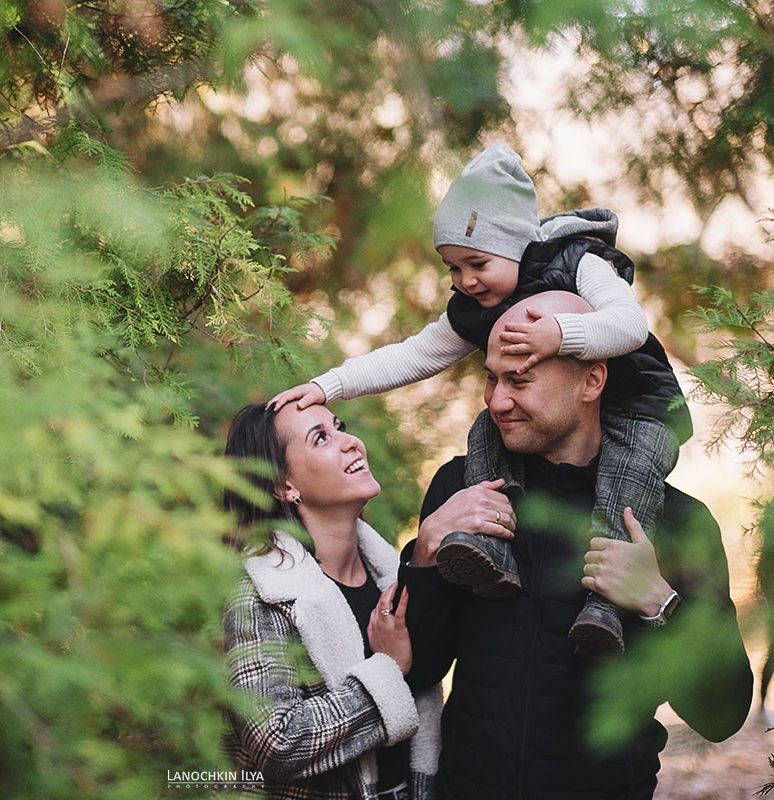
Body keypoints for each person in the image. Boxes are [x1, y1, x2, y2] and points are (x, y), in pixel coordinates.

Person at [268, 142, 691, 658]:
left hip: (644, 411)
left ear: (515, 245)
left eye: (477, 263)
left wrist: (559, 335)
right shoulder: (475, 306)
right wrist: (329, 386)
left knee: (626, 488)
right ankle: (488, 546)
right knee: (484, 432)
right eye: (452, 268)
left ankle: (606, 607)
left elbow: (629, 325)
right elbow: (413, 354)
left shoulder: (578, 262)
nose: (465, 281)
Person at [400, 291, 753, 799]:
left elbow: (722, 715)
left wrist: (658, 601)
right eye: (492, 378)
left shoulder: (677, 521)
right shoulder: (462, 490)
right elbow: (418, 670)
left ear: (592, 381)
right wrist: (426, 551)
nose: (497, 401)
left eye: (520, 380)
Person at [222, 401, 442, 800]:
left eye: (339, 426)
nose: (351, 443)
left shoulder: (391, 578)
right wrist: (388, 670)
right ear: (283, 486)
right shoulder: (263, 595)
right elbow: (276, 741)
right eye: (321, 437)